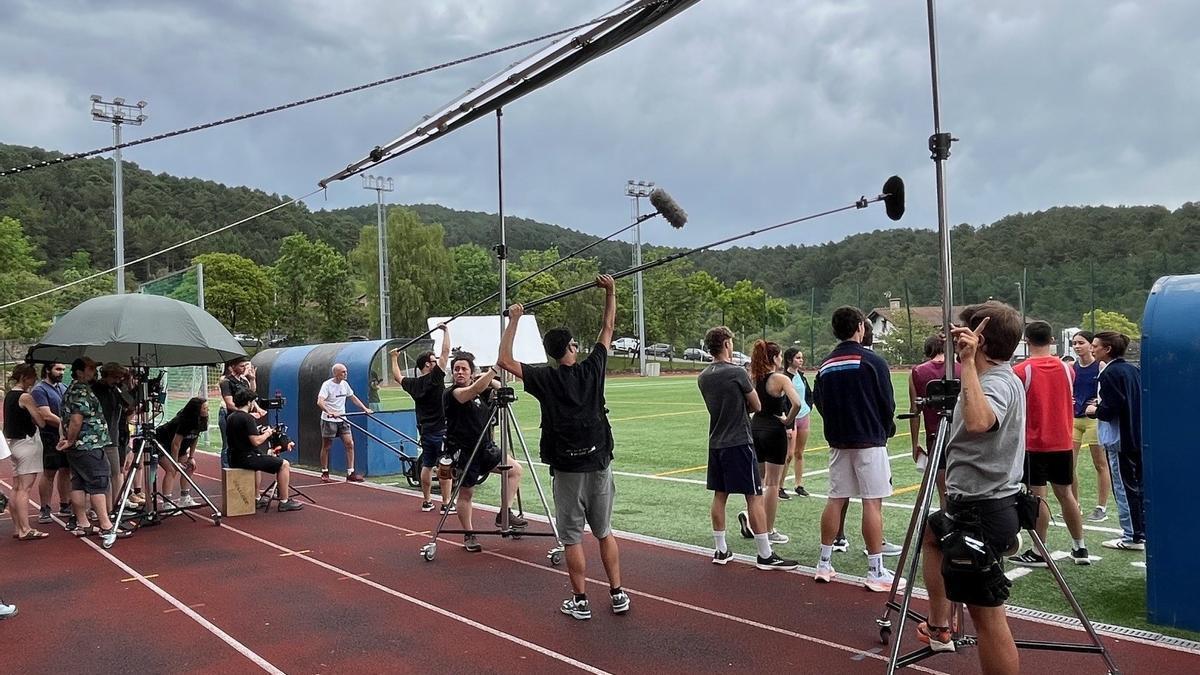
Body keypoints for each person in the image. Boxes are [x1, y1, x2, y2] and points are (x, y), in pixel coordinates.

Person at [498, 275, 629, 620]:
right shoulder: (593, 369)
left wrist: (513, 320)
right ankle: (617, 594)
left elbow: (504, 360)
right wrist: (611, 291)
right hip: (598, 465)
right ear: (569, 348)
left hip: (569, 471)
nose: (577, 347)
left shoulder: (546, 378)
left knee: (572, 537)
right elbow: (608, 326)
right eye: (573, 344)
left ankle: (581, 601)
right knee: (603, 532)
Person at [915, 302, 1026, 674]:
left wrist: (967, 362)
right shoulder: (995, 378)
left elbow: (979, 422)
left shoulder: (994, 382)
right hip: (974, 506)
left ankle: (941, 627)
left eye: (965, 332)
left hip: (984, 509)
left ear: (981, 340)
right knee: (931, 532)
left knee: (988, 620)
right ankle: (939, 625)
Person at [812, 306, 901, 591]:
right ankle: (875, 571)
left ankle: (824, 564)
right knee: (872, 502)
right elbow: (887, 402)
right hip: (869, 440)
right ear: (861, 327)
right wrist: (885, 428)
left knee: (836, 498)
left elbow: (820, 402)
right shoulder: (872, 361)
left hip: (838, 441)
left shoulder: (825, 365)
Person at [697, 325, 798, 572]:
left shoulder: (704, 376)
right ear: (726, 345)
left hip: (716, 441)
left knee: (720, 496)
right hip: (739, 441)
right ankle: (765, 553)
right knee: (753, 495)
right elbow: (756, 405)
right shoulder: (736, 372)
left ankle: (721, 549)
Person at [1009, 321, 1090, 566]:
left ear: (1026, 341)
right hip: (1062, 441)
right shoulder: (1068, 368)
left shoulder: (1021, 371)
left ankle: (1039, 550)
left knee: (1038, 497)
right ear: (1052, 340)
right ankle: (1080, 547)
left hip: (1035, 444)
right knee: (1066, 495)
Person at [442, 352, 526, 552]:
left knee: (515, 470)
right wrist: (494, 371)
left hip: (486, 448)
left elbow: (506, 392)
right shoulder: (452, 393)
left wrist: (489, 380)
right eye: (456, 369)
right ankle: (469, 534)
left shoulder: (481, 392)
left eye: (464, 369)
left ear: (472, 372)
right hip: (464, 451)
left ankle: (504, 513)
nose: (459, 372)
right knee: (466, 493)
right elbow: (471, 391)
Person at [57, 357, 126, 547]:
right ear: (79, 371)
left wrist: (69, 441)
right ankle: (105, 525)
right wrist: (71, 440)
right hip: (88, 445)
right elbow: (76, 419)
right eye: (90, 368)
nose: (94, 372)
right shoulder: (80, 391)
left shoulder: (71, 388)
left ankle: (83, 523)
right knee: (98, 483)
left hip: (79, 447)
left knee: (78, 483)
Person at [1086, 332, 1144, 551]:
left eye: (1095, 346)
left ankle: (1132, 535)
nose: (1092, 349)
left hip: (1120, 439)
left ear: (1107, 349)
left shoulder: (1109, 373)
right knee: (1137, 486)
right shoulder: (1131, 370)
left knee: (1124, 487)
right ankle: (1139, 531)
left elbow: (1111, 409)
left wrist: (1094, 410)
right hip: (1135, 436)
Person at [745, 340, 801, 544]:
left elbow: (750, 405)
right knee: (772, 483)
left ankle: (754, 522)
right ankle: (767, 529)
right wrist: (788, 420)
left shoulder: (754, 378)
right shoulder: (780, 378)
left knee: (759, 481)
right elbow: (797, 403)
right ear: (775, 358)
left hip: (755, 427)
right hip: (773, 429)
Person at [391, 323, 451, 513]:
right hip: (440, 429)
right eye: (433, 361)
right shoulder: (435, 378)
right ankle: (446, 503)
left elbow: (397, 376)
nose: (436, 362)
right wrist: (446, 332)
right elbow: (446, 351)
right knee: (445, 465)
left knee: (427, 464)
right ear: (427, 364)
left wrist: (394, 358)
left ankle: (426, 501)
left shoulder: (413, 384)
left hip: (424, 430)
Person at [226, 389, 303, 512]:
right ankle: (284, 501)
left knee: (258, 458)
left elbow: (243, 434)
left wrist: (259, 431)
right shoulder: (247, 418)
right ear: (249, 402)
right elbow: (256, 441)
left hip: (233, 456)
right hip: (246, 458)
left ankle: (256, 498)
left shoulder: (231, 417)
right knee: (284, 464)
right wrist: (267, 433)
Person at [910, 335, 961, 507]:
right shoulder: (962, 369)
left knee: (943, 493)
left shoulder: (917, 372)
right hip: (961, 435)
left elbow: (915, 410)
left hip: (935, 437)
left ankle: (946, 529)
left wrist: (915, 443)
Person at [1070, 331, 1109, 522]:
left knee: (1100, 463)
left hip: (1094, 420)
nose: (1077, 346)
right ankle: (1074, 504)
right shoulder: (1071, 367)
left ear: (1090, 345)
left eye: (1081, 342)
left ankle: (1101, 507)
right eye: (1074, 343)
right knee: (1070, 464)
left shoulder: (1100, 366)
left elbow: (1108, 390)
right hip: (1074, 419)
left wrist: (1099, 403)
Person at [5, 364, 47, 539]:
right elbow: (41, 421)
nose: (33, 382)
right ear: (24, 377)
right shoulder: (25, 397)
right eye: (31, 378)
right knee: (25, 488)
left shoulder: (9, 395)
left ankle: (18, 527)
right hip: (27, 442)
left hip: (13, 443)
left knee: (16, 487)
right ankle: (25, 529)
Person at [32, 363, 72, 523]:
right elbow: (46, 415)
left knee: (66, 470)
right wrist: (66, 426)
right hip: (49, 436)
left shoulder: (63, 387)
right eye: (58, 369)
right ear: (48, 370)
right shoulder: (39, 390)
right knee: (49, 472)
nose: (61, 372)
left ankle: (64, 504)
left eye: (63, 369)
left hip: (66, 436)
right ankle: (45, 508)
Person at [317, 363, 371, 483]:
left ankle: (350, 472)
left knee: (349, 444)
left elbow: (353, 397)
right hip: (329, 420)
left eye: (346, 371)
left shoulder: (345, 384)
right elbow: (320, 402)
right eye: (343, 372)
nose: (346, 374)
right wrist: (330, 412)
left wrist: (364, 408)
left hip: (343, 419)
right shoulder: (327, 385)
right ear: (336, 373)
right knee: (327, 446)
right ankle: (324, 471)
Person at [155, 397, 209, 509]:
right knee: (171, 470)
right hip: (162, 444)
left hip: (181, 447)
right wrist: (175, 462)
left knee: (189, 467)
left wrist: (191, 457)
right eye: (204, 408)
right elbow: (175, 444)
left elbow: (195, 437)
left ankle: (184, 498)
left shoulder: (202, 420)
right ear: (196, 410)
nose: (207, 410)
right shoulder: (184, 422)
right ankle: (167, 502)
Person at [92, 362, 129, 515]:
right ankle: (104, 509)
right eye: (115, 377)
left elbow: (129, 406)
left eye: (120, 378)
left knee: (116, 472)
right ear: (105, 375)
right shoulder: (98, 390)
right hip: (100, 439)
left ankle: (116, 506)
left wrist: (127, 385)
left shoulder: (115, 390)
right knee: (102, 475)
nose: (117, 380)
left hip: (113, 438)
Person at [780, 347, 813, 497]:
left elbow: (808, 394)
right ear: (789, 360)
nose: (801, 360)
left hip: (803, 417)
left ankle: (799, 485)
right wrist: (787, 422)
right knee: (789, 454)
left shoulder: (801, 376)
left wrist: (809, 406)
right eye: (798, 358)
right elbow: (782, 401)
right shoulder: (784, 377)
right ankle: (779, 486)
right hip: (791, 419)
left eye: (801, 358)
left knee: (800, 453)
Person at [218, 358, 262, 468]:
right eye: (241, 366)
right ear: (232, 367)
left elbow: (251, 395)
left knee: (243, 443)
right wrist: (244, 413)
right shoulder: (226, 381)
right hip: (229, 416)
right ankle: (227, 470)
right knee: (228, 445)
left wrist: (252, 379)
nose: (244, 369)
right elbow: (229, 403)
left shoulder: (243, 381)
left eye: (245, 366)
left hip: (241, 416)